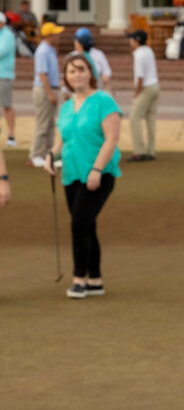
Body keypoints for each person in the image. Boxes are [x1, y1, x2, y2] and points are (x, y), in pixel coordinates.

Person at [42, 52, 121, 299]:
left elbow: (111, 140)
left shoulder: (104, 102)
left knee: (78, 224)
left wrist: (97, 169)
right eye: (71, 71)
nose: (76, 74)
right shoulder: (66, 107)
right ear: (65, 77)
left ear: (90, 73)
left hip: (99, 174)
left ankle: (79, 279)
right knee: (86, 225)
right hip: (72, 174)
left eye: (81, 69)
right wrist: (50, 156)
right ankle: (95, 279)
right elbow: (61, 141)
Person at [30, 22, 64, 167]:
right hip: (44, 89)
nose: (59, 35)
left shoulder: (50, 49)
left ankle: (48, 153)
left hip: (51, 87)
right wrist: (50, 93)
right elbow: (42, 74)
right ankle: (36, 154)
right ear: (50, 35)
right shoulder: (43, 51)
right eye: (56, 33)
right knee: (43, 123)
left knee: (50, 123)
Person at [127, 30, 160, 162]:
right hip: (155, 86)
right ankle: (150, 150)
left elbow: (140, 76)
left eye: (131, 39)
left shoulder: (138, 54)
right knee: (150, 119)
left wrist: (137, 91)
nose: (130, 42)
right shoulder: (149, 50)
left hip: (146, 87)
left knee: (134, 118)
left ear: (136, 40)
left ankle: (139, 151)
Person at [0, 13, 16, 146]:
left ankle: (11, 135)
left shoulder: (8, 35)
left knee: (6, 105)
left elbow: (1, 51)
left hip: (3, 75)